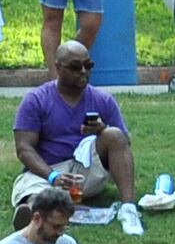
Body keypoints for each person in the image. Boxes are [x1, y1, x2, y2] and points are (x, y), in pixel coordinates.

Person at [14, 39, 147, 216]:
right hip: (47, 171)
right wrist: (53, 177)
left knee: (114, 134)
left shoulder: (103, 100)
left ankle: (128, 209)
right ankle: (32, 214)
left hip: (86, 171)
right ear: (58, 67)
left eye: (88, 65)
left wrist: (102, 130)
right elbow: (24, 149)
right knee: (36, 194)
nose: (83, 72)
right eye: (76, 67)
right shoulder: (36, 100)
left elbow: (123, 144)